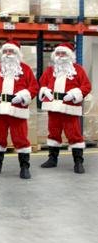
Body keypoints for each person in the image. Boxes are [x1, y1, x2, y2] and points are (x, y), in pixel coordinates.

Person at [0, 40, 38, 179]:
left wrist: (23, 96)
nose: (8, 54)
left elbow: (34, 87)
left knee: (21, 138)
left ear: (17, 53)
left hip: (17, 109)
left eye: (11, 51)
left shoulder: (25, 69)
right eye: (5, 51)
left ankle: (24, 167)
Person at [38, 43, 92, 173]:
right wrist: (45, 90)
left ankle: (78, 162)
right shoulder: (50, 70)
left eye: (63, 53)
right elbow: (42, 83)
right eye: (58, 53)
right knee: (53, 133)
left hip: (70, 107)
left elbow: (86, 86)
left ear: (69, 55)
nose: (60, 56)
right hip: (53, 106)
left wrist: (74, 94)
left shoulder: (78, 70)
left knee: (74, 134)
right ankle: (52, 159)